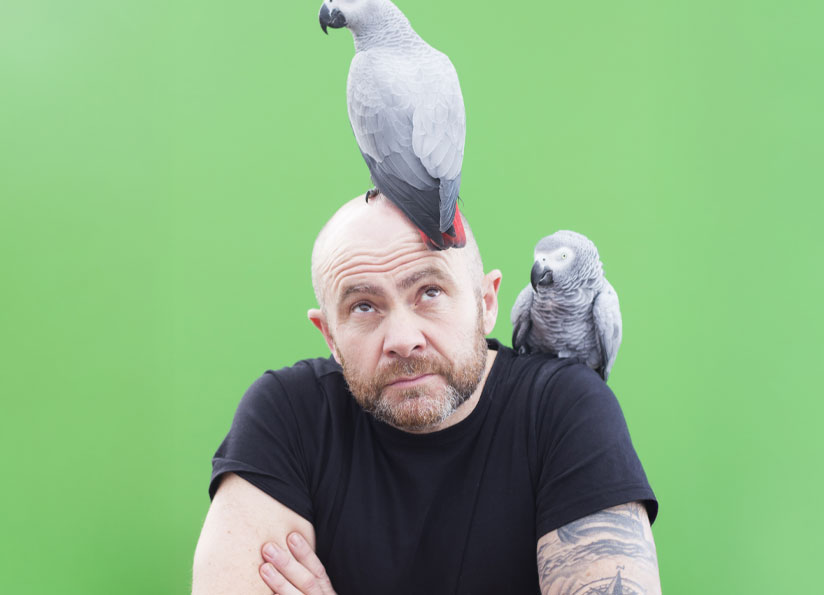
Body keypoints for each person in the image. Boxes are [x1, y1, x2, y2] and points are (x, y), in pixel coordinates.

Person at [192, 195, 660, 594]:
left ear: (486, 303)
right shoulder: (286, 414)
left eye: (430, 291)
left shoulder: (568, 410)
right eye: (363, 305)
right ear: (329, 335)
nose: (402, 337)